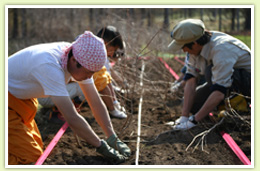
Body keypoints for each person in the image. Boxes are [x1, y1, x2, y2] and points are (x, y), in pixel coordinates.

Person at [8, 31, 131, 165]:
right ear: (74, 61)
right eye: (88, 73)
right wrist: (100, 146)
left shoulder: (77, 56)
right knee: (30, 157)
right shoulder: (49, 66)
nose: (89, 77)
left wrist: (111, 136)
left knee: (33, 148)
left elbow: (95, 101)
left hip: (20, 99)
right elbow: (71, 117)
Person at [167, 19, 251, 130]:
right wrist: (184, 116)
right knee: (195, 103)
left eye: (183, 47)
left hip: (248, 83)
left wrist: (194, 121)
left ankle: (238, 109)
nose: (183, 51)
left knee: (209, 71)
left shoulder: (222, 49)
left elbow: (219, 91)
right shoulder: (194, 49)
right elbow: (191, 80)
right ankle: (219, 106)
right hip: (224, 83)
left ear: (195, 43)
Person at [38, 26, 127, 119]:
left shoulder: (91, 53)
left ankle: (71, 103)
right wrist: (113, 110)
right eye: (113, 49)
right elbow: (102, 85)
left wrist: (115, 102)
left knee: (89, 84)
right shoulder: (91, 57)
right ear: (105, 43)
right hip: (45, 95)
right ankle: (58, 110)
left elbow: (106, 78)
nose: (112, 54)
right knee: (88, 87)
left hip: (50, 90)